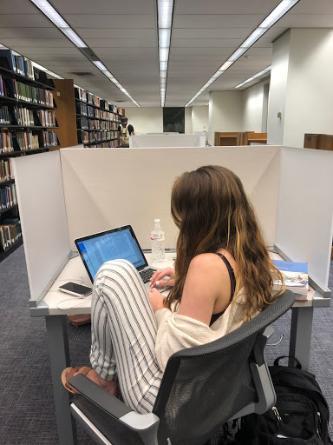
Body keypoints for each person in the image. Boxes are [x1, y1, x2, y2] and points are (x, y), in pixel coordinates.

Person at [61, 165, 283, 414]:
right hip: (215, 385)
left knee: (112, 274)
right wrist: (185, 280)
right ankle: (104, 374)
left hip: (172, 399)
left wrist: (160, 309)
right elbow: (223, 294)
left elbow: (176, 357)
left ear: (199, 216)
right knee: (124, 285)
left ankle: (103, 378)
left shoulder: (206, 267)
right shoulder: (249, 255)